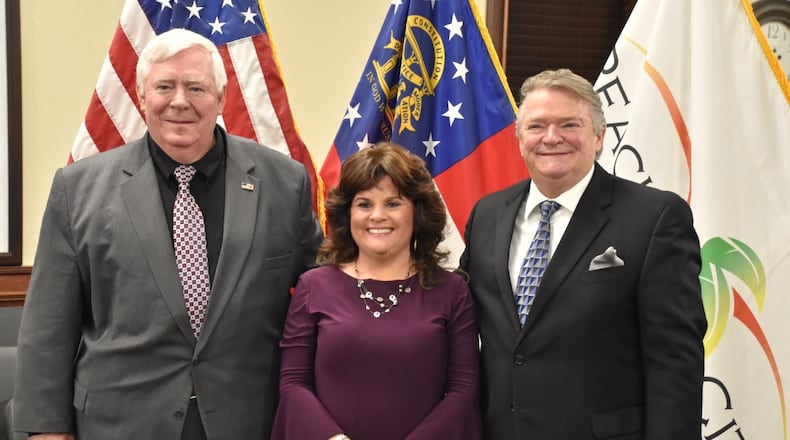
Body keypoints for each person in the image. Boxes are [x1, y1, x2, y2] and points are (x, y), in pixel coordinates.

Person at [12, 28, 323, 440]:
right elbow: (49, 326)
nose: (180, 101)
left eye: (196, 87)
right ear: (142, 97)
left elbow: (321, 301)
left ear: (221, 97)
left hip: (250, 420)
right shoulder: (78, 189)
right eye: (164, 86)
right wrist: (45, 431)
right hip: (119, 423)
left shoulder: (284, 183)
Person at [459, 68, 706, 439]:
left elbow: (675, 362)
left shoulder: (654, 217)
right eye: (537, 126)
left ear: (599, 135)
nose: (552, 138)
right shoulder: (487, 215)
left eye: (569, 124)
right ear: (520, 138)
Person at [271, 142, 480, 440]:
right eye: (364, 204)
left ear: (417, 213)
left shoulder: (452, 291)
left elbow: (463, 388)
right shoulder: (313, 286)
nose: (377, 216)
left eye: (393, 203)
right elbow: (293, 382)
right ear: (347, 214)